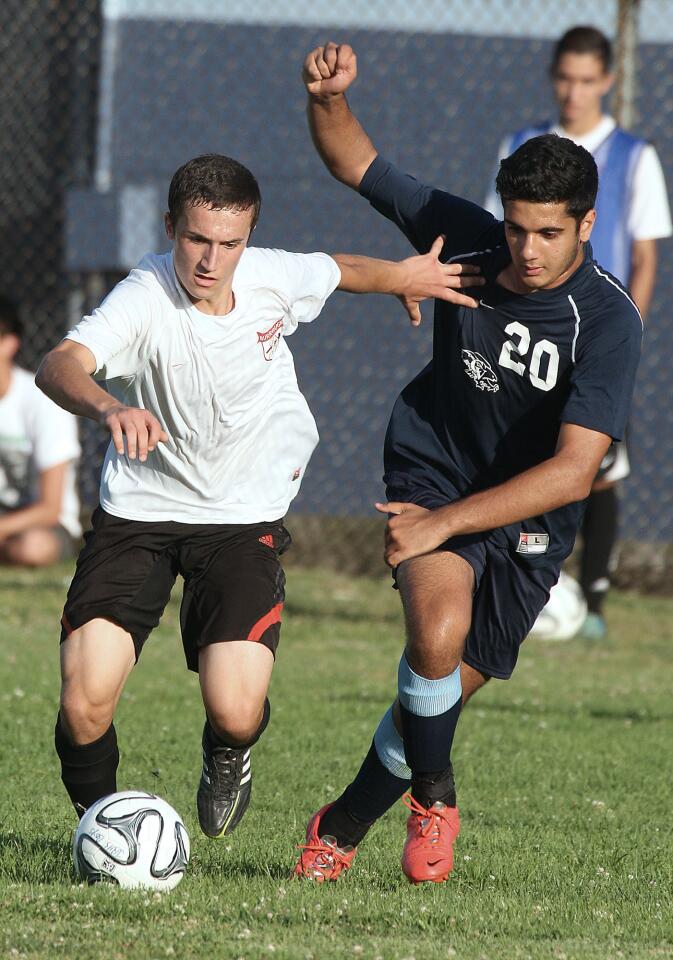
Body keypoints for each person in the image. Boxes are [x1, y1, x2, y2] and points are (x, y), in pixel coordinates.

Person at [35, 153, 484, 832]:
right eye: (196, 240)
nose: (211, 260)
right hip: (140, 516)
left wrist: (403, 276)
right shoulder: (143, 297)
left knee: (236, 710)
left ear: (248, 238)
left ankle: (227, 752)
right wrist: (108, 409)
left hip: (242, 521)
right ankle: (104, 827)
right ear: (170, 229)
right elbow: (58, 364)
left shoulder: (270, 276)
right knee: (84, 703)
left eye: (229, 244)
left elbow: (337, 270)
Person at [293, 42, 642, 885]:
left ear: (586, 226)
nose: (525, 250)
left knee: (433, 691)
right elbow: (358, 165)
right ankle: (438, 797)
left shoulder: (607, 324)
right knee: (437, 633)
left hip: (528, 522)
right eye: (517, 227)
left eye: (548, 233)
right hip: (434, 471)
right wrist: (327, 99)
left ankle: (339, 822)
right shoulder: (473, 243)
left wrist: (446, 526)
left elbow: (571, 474)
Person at [484, 26, 672, 640]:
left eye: (587, 79)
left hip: (592, 337)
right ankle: (503, 575)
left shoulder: (634, 156)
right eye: (565, 77)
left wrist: (624, 336)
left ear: (608, 82)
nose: (574, 91)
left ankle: (592, 600)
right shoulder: (521, 147)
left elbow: (645, 256)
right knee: (518, 453)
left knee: (597, 464)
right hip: (525, 332)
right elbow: (494, 235)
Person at [0, 295, 81, 566]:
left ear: (10, 343)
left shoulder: (41, 401)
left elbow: (50, 507)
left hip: (42, 524)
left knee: (32, 548)